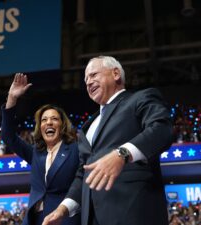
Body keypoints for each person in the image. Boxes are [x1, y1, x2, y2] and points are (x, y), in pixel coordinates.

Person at [43, 56, 173, 225]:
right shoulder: (87, 127)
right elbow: (83, 173)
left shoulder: (139, 99)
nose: (88, 82)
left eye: (94, 75)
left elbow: (162, 129)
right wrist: (64, 208)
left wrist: (122, 154)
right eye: (86, 79)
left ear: (116, 74)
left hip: (132, 213)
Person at [1, 73, 81, 225]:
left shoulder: (75, 150)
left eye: (54, 119)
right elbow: (8, 136)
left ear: (62, 125)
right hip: (35, 220)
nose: (49, 122)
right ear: (40, 127)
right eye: (44, 120)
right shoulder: (36, 153)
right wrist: (12, 98)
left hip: (63, 220)